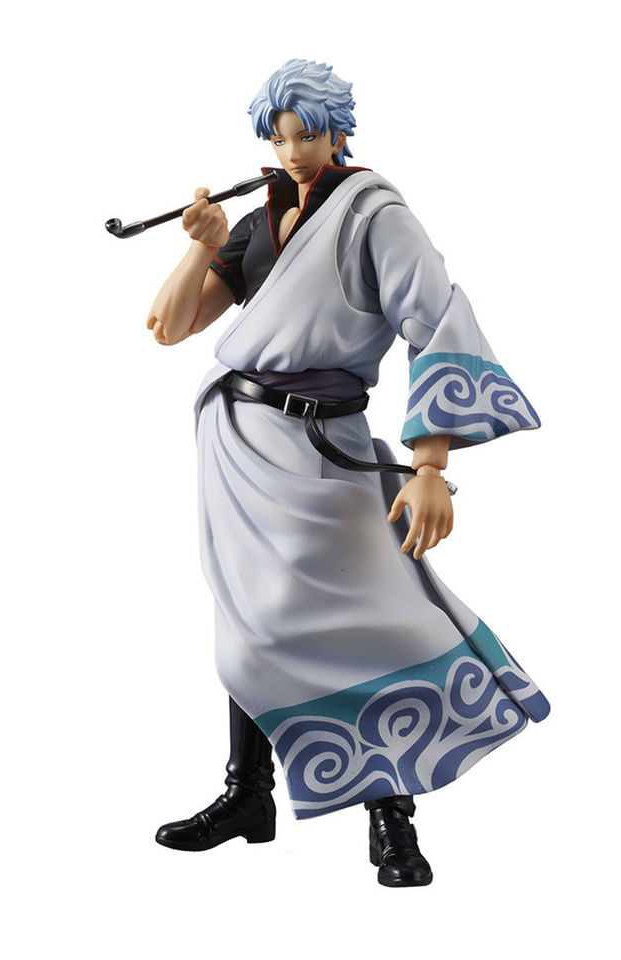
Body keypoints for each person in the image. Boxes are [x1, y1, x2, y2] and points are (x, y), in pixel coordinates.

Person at [147, 59, 549, 887]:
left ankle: (389, 815)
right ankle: (248, 794)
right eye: (279, 138)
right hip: (240, 442)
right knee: (250, 620)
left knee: (372, 620)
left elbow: (436, 321)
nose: (293, 152)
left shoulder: (374, 214)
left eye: (308, 135)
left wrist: (429, 464)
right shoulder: (259, 219)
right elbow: (169, 325)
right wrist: (204, 246)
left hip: (325, 444)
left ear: (338, 132)